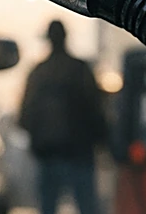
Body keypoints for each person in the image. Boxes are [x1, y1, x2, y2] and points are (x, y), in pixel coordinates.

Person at [19, 20, 107, 214]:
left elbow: (24, 117)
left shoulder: (38, 73)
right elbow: (97, 109)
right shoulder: (80, 69)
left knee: (48, 207)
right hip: (80, 153)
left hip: (49, 154)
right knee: (87, 206)